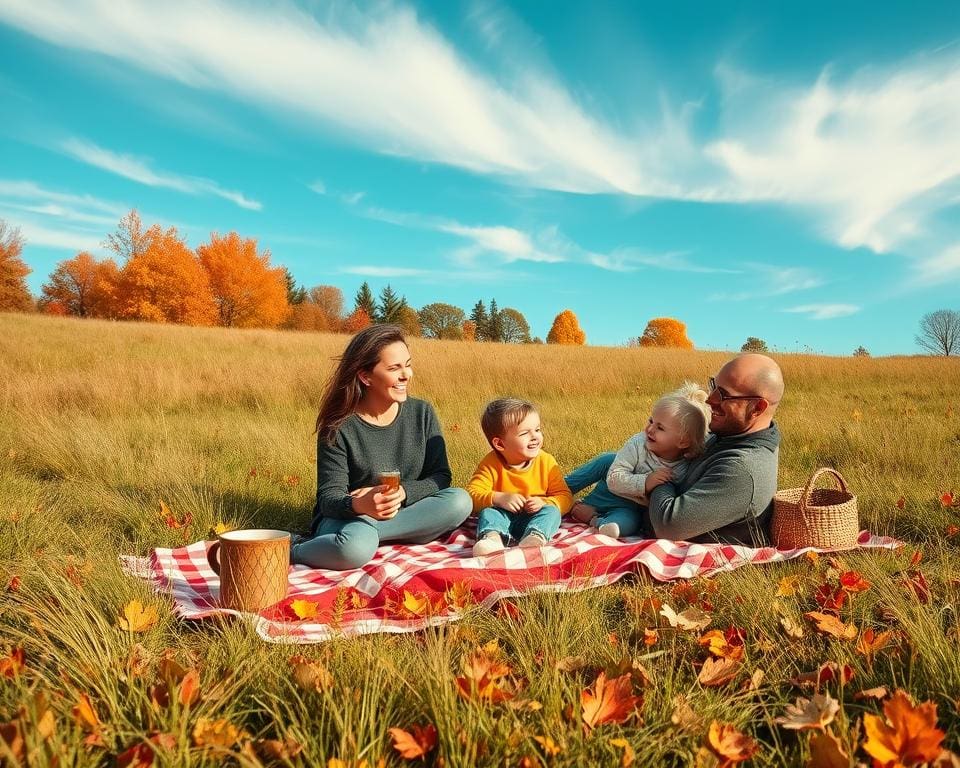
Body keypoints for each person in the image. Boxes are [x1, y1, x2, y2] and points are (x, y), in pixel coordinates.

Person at [291, 325, 471, 570]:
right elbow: (329, 499)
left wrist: (405, 493)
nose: (406, 375)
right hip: (349, 519)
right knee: (353, 549)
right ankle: (292, 548)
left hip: (403, 511)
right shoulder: (338, 427)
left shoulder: (422, 412)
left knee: (461, 501)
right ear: (366, 377)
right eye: (394, 368)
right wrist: (360, 504)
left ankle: (376, 535)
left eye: (407, 364)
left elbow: (441, 477)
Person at [646, 353, 784, 545]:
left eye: (723, 394)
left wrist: (658, 477)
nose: (710, 400)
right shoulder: (730, 435)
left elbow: (668, 525)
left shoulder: (743, 470)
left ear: (757, 407)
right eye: (713, 386)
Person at [587, 382, 711, 539]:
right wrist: (646, 481)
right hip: (610, 489)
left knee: (627, 524)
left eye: (660, 427)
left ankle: (595, 519)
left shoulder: (685, 467)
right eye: (651, 421)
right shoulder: (639, 444)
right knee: (606, 459)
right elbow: (614, 478)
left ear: (683, 441)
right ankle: (558, 492)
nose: (650, 429)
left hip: (629, 508)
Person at [467, 398, 574, 556]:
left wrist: (544, 501)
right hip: (503, 517)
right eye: (525, 433)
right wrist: (498, 498)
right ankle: (491, 539)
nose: (535, 437)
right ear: (500, 444)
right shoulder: (491, 464)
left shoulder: (546, 462)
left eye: (537, 430)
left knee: (552, 512)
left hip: (534, 518)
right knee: (489, 513)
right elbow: (471, 494)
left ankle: (535, 539)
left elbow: (565, 496)